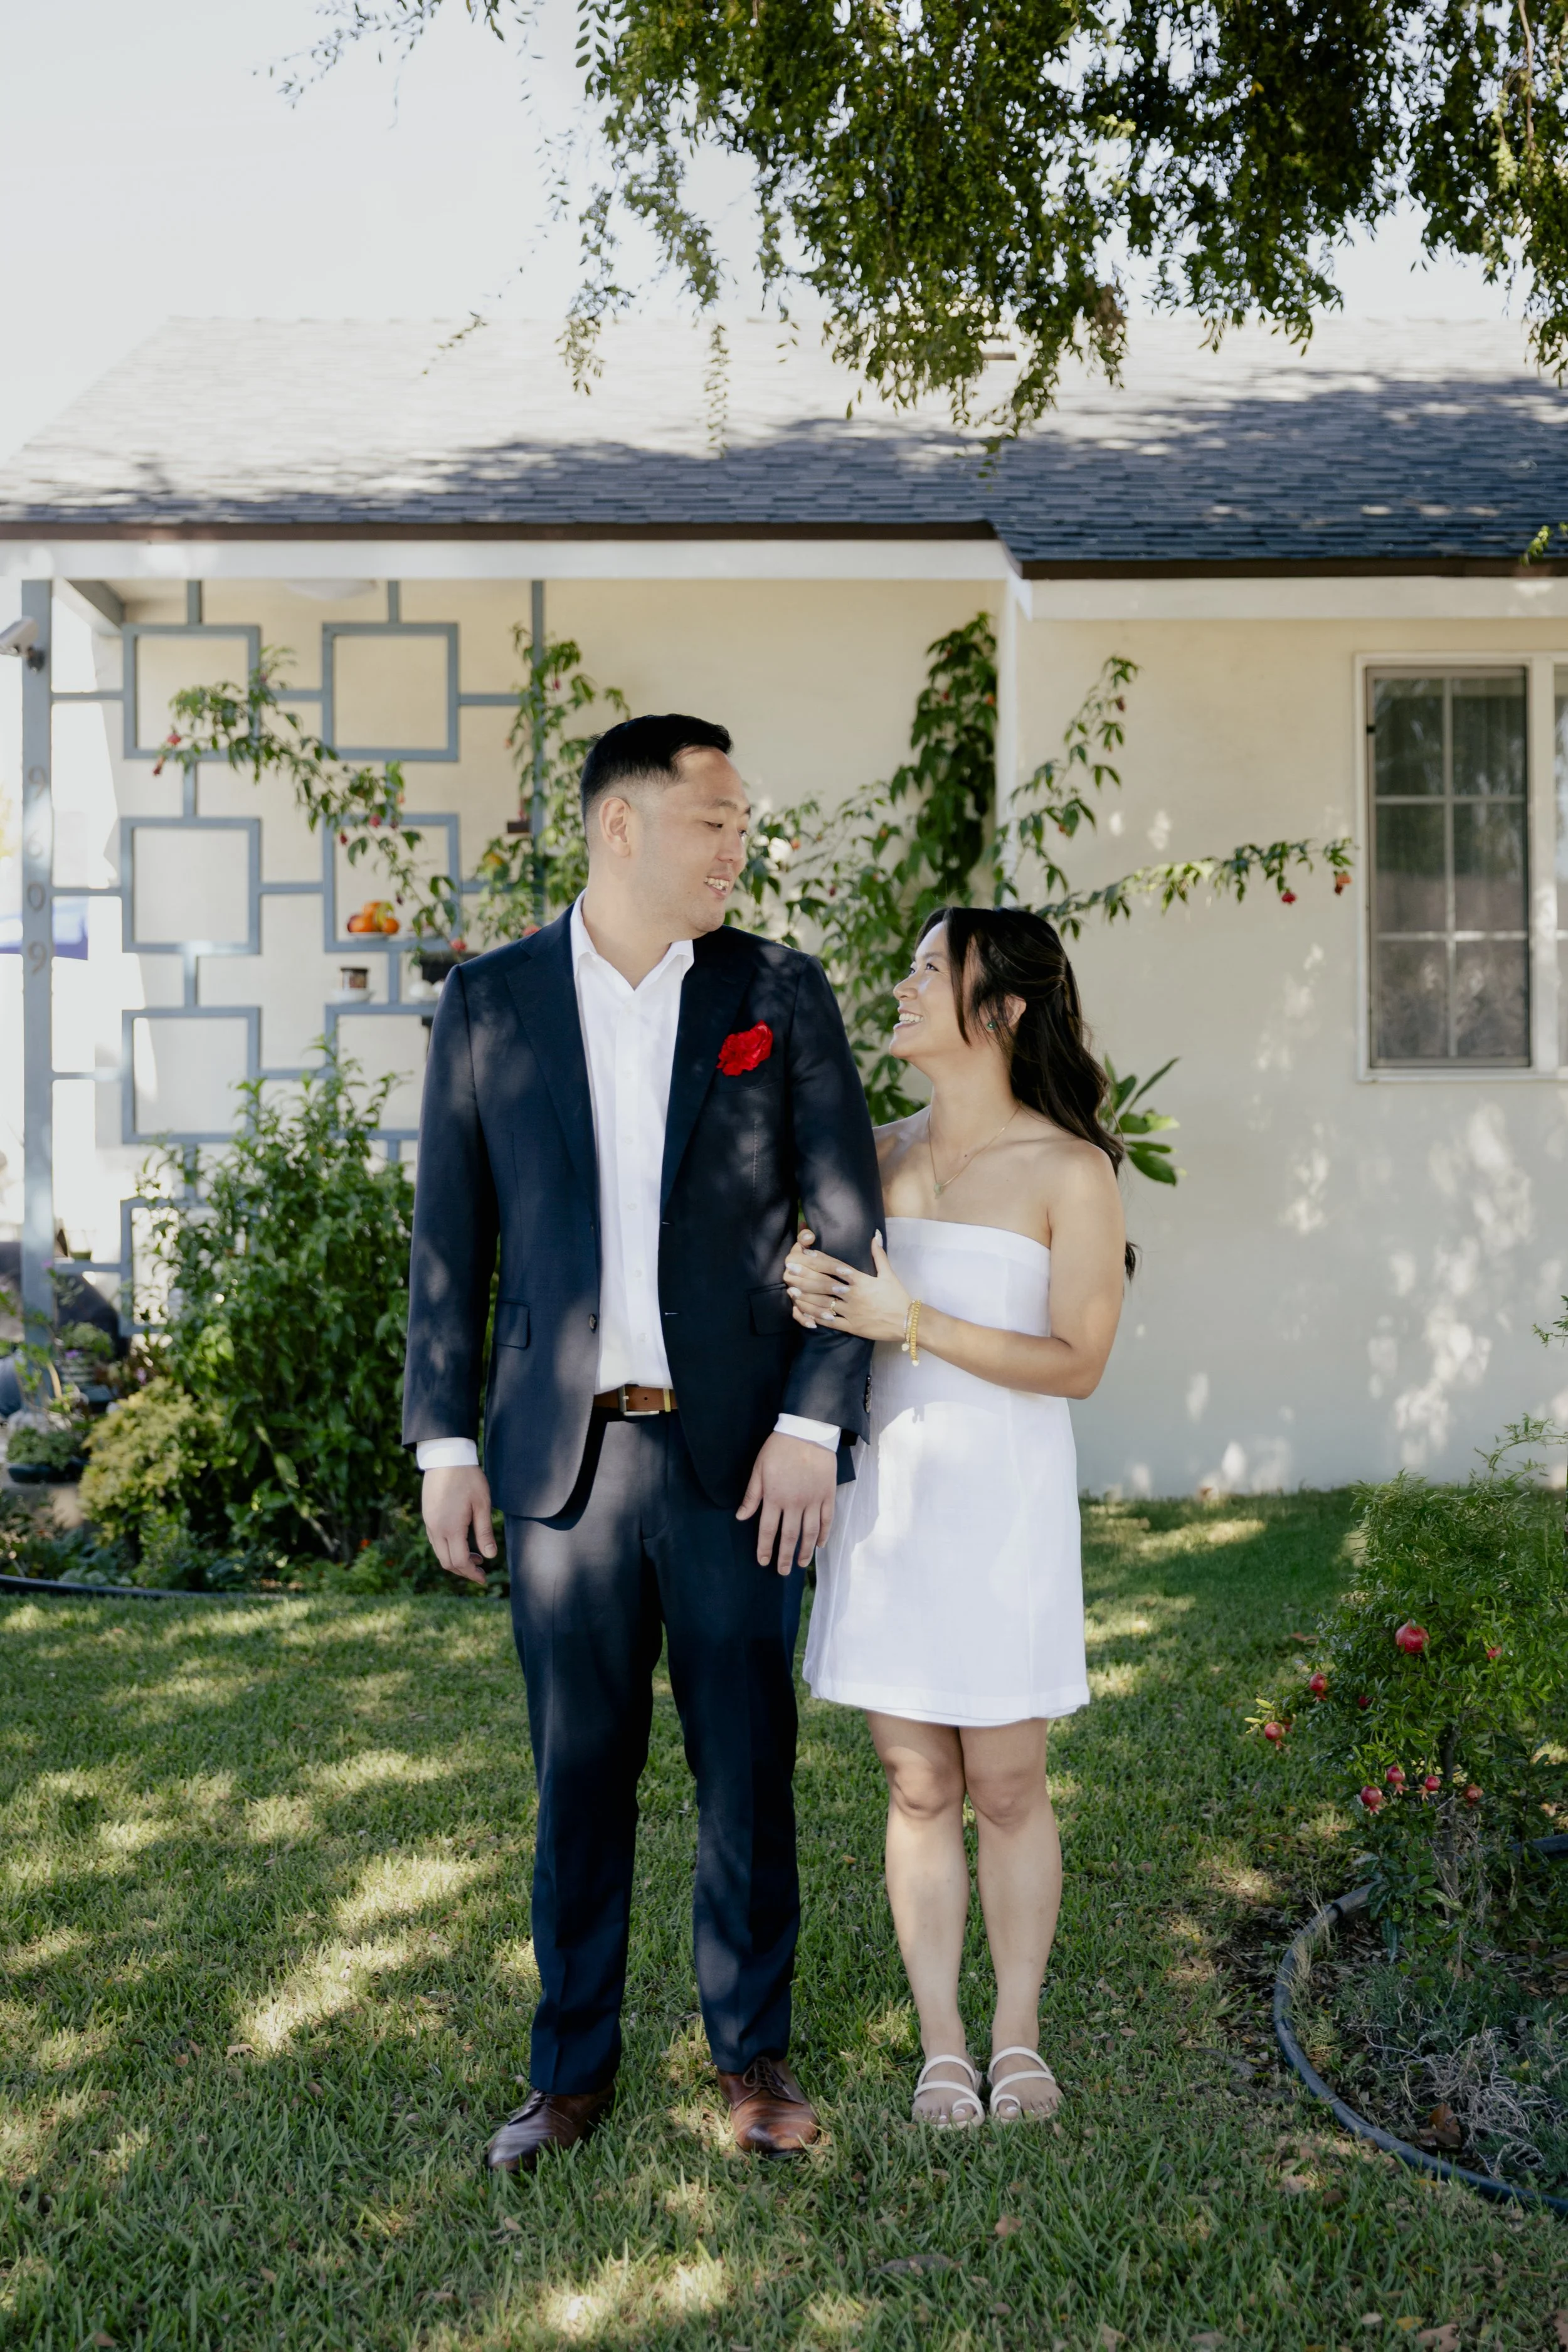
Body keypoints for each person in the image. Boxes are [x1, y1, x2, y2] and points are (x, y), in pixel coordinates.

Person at [403, 714, 881, 2172]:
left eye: (744, 825)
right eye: (715, 822)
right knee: (578, 1771)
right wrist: (443, 1449)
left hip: (741, 1460)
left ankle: (751, 2062)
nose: (740, 848)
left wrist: (812, 1423)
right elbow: (450, 1238)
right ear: (621, 827)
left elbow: (852, 1221)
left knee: (747, 1763)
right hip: (562, 1466)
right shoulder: (486, 1003)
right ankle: (569, 2071)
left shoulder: (776, 993)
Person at [790, 906, 1130, 2129]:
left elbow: (1075, 1359)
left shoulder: (1067, 1171)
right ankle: (942, 2045)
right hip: (889, 1506)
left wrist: (912, 1323)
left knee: (1003, 1778)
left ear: (1000, 1011)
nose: (903, 985)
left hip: (1002, 1509)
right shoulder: (869, 1156)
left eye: (931, 970)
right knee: (915, 1780)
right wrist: (803, 1282)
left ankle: (1016, 2035)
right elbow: (817, 1297)